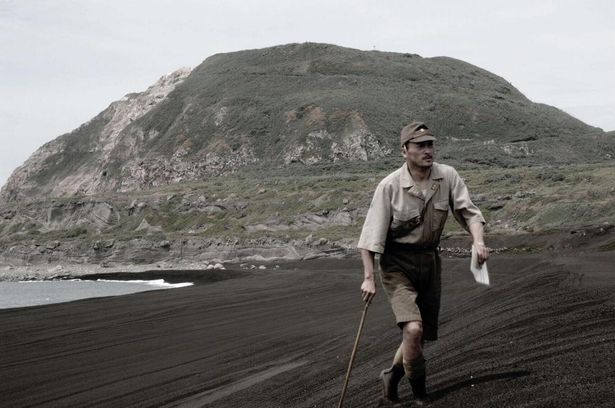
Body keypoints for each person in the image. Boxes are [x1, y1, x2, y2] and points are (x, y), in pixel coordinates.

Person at [357, 121, 489, 406]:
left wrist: (478, 241)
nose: (428, 150)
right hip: (396, 265)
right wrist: (369, 277)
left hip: (430, 261)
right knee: (413, 329)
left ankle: (392, 374)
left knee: (419, 335)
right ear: (404, 150)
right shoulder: (390, 186)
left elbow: (470, 214)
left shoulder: (447, 176)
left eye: (430, 144)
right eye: (420, 146)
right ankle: (420, 394)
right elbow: (369, 239)